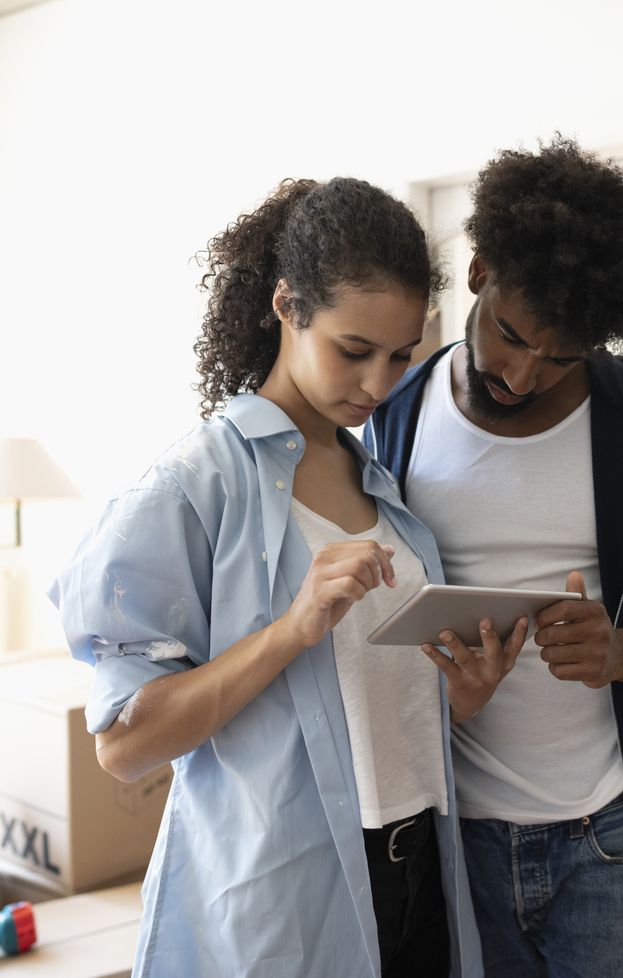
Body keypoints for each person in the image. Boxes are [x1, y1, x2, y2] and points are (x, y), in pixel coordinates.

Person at [49, 177, 521, 978]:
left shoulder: (383, 486)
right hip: (285, 899)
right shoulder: (190, 488)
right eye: (353, 350)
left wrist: (459, 695)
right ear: (287, 307)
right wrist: (291, 629)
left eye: (402, 355)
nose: (379, 386)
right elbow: (124, 746)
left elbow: (358, 715)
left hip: (422, 869)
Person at [365, 136, 623, 978]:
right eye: (511, 335)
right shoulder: (391, 415)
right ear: (477, 273)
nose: (526, 373)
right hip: (447, 832)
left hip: (607, 836)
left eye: (563, 355)